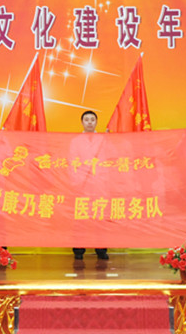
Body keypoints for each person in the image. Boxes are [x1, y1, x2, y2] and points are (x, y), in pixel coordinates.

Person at [72, 110, 109, 261]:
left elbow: (108, 160)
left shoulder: (103, 140)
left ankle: (101, 249)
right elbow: (72, 161)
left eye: (92, 119)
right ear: (82, 122)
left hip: (99, 183)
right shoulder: (75, 141)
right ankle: (79, 249)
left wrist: (104, 179)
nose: (89, 122)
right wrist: (76, 181)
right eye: (86, 119)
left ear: (96, 122)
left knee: (100, 216)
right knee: (81, 217)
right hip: (81, 184)